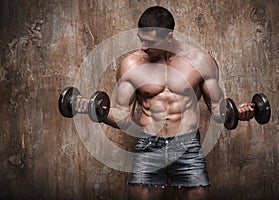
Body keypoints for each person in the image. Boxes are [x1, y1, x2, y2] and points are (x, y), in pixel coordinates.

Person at [76, 6, 254, 200]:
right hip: (149, 146)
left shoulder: (201, 62)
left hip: (187, 146)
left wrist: (237, 112)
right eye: (141, 39)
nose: (143, 46)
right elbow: (122, 117)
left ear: (168, 37)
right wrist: (91, 108)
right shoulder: (132, 64)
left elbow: (218, 111)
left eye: (150, 41)